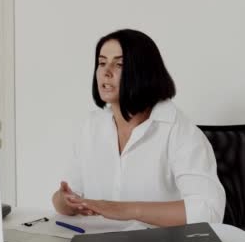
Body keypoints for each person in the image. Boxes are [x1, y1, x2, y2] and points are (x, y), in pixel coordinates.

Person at [52, 29, 225, 227]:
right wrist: (65, 200)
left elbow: (209, 210)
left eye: (119, 64)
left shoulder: (179, 131)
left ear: (144, 72)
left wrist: (124, 210)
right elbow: (64, 201)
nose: (106, 72)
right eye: (101, 63)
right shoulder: (91, 126)